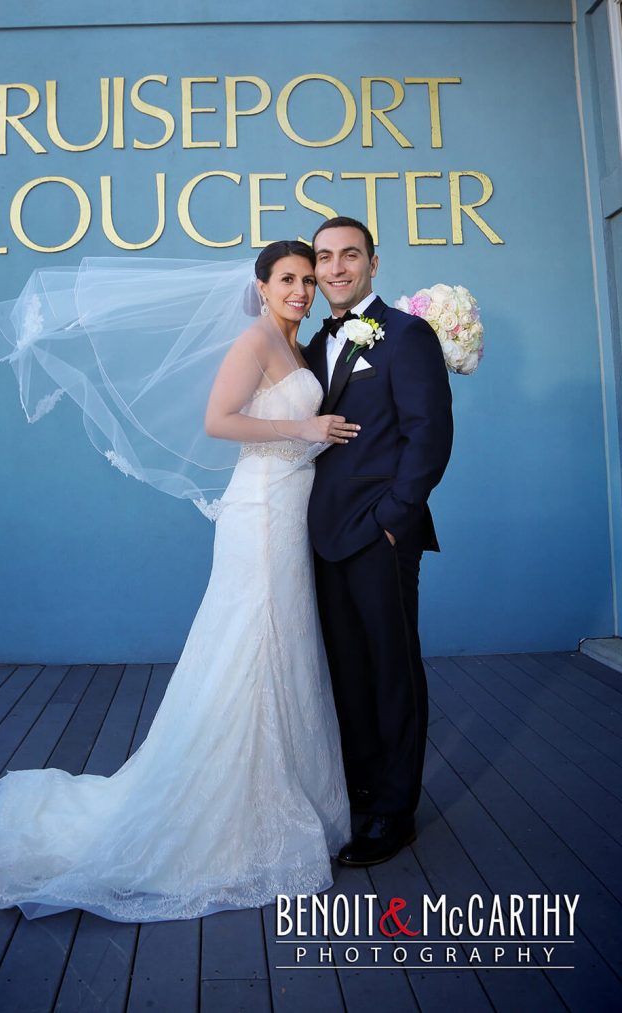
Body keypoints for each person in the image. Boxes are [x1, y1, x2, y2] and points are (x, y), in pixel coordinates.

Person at [0, 240, 358, 922]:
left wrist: (311, 431)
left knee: (283, 643)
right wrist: (307, 425)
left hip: (290, 510)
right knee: (254, 643)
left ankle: (285, 785)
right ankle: (234, 803)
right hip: (260, 512)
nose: (300, 289)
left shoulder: (298, 347)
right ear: (261, 286)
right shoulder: (257, 340)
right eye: (287, 279)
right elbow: (218, 420)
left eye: (306, 278)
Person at [304, 217, 454, 866]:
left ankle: (395, 811)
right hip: (321, 534)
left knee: (392, 670)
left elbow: (429, 434)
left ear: (373, 262)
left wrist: (394, 517)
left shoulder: (407, 334)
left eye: (349, 255)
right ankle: (362, 788)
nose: (336, 267)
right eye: (325, 257)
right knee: (347, 667)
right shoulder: (316, 342)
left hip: (380, 532)